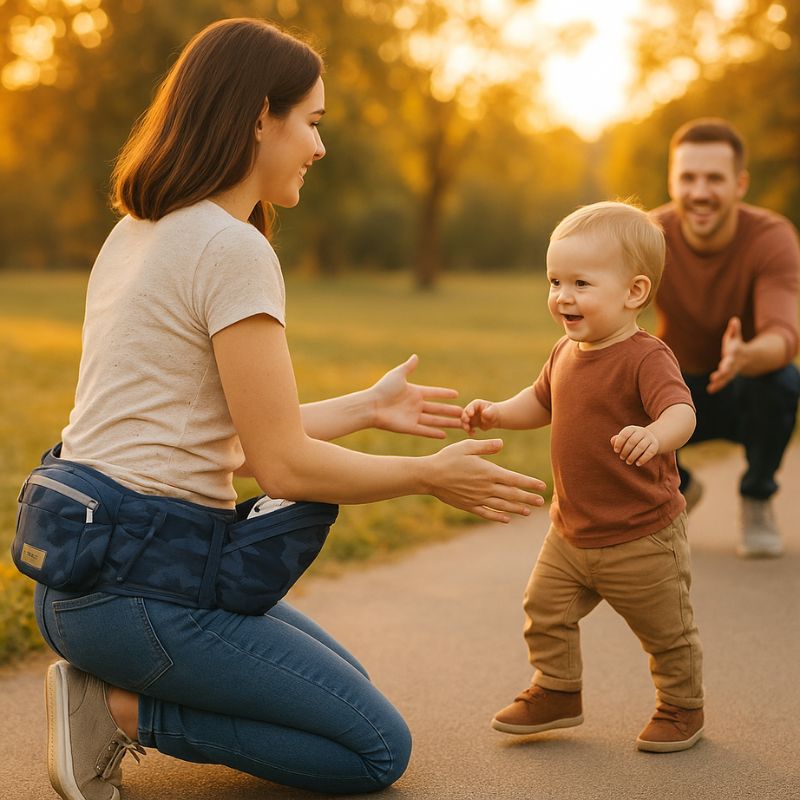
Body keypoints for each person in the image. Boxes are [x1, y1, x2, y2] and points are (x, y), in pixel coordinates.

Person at [29, 18, 547, 800]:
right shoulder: (232, 249)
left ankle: (118, 690)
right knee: (375, 748)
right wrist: (428, 477)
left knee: (346, 690)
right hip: (143, 590)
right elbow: (282, 465)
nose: (320, 146)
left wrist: (369, 406)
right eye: (312, 122)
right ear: (258, 118)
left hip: (79, 581)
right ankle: (114, 709)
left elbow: (224, 436)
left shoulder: (139, 232)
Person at [462, 201, 705, 753]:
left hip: (642, 536)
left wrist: (656, 436)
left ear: (634, 293)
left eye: (580, 283)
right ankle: (557, 689)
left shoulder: (646, 358)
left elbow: (682, 413)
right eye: (554, 281)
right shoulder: (565, 351)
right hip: (570, 533)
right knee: (543, 610)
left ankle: (682, 705)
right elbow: (540, 401)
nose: (562, 296)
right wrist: (499, 411)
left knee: (667, 633)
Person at [653, 118, 800, 558]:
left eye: (714, 179)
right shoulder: (646, 235)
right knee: (602, 378)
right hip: (670, 389)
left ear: (739, 184)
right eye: (688, 178)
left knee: (783, 380)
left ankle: (756, 498)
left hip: (741, 385)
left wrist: (746, 355)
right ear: (672, 181)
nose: (699, 192)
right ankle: (676, 489)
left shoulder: (771, 237)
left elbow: (784, 335)